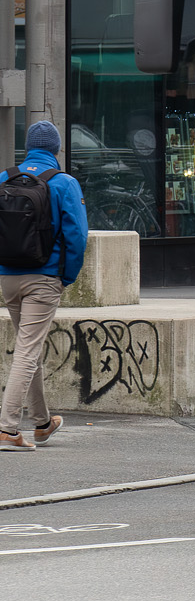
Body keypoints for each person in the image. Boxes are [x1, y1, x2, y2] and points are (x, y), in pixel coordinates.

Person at [0, 120, 88, 453]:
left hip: (9, 277)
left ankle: (41, 423)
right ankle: (7, 429)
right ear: (56, 148)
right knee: (26, 352)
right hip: (43, 279)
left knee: (29, 348)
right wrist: (66, 276)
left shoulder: (4, 178)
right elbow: (77, 237)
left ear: (27, 148)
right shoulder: (63, 183)